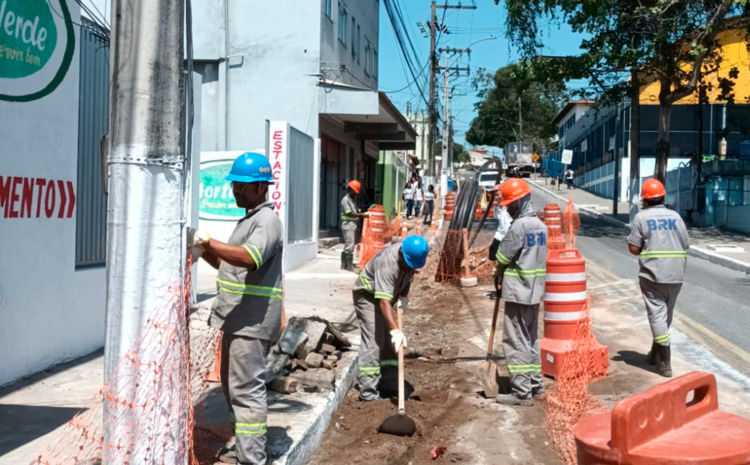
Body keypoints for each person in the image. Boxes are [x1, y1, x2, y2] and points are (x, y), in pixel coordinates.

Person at [190, 152, 282, 465]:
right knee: (233, 390)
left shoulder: (266, 222)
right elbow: (230, 266)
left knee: (246, 393)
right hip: (238, 320)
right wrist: (205, 251)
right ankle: (248, 450)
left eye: (243, 186)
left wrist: (210, 241)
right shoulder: (249, 221)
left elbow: (249, 258)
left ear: (261, 186)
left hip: (252, 323)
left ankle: (252, 459)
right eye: (234, 185)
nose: (236, 191)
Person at [352, 236, 429, 401]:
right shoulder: (388, 263)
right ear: (401, 253)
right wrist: (395, 330)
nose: (410, 269)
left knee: (389, 343)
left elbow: (406, 278)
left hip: (386, 298)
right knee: (374, 341)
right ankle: (368, 393)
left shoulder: (410, 259)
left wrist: (404, 296)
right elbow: (384, 303)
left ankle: (390, 385)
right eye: (408, 265)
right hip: (367, 296)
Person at [627, 179, 689, 378]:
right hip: (676, 274)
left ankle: (665, 362)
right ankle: (655, 355)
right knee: (665, 315)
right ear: (662, 196)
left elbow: (634, 249)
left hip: (653, 275)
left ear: (645, 200)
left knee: (656, 314)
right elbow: (686, 244)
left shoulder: (641, 218)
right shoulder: (676, 217)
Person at [494, 178, 548, 406]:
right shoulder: (541, 226)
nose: (509, 208)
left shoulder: (519, 226)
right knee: (531, 340)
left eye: (511, 204)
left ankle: (521, 392)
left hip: (518, 292)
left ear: (520, 202)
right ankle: (536, 386)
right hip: (535, 292)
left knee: (516, 341)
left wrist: (497, 274)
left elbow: (502, 257)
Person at [341, 180, 369, 272]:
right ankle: (348, 265)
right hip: (348, 225)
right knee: (350, 245)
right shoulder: (345, 200)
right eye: (355, 192)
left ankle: (344, 265)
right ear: (351, 190)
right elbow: (349, 214)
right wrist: (361, 215)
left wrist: (361, 213)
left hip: (352, 225)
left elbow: (356, 211)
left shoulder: (351, 201)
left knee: (349, 244)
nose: (356, 194)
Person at [488, 178, 513, 261]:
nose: (496, 197)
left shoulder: (511, 207)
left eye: (497, 194)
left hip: (510, 239)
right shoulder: (496, 208)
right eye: (494, 195)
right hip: (499, 237)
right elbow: (498, 223)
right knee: (492, 255)